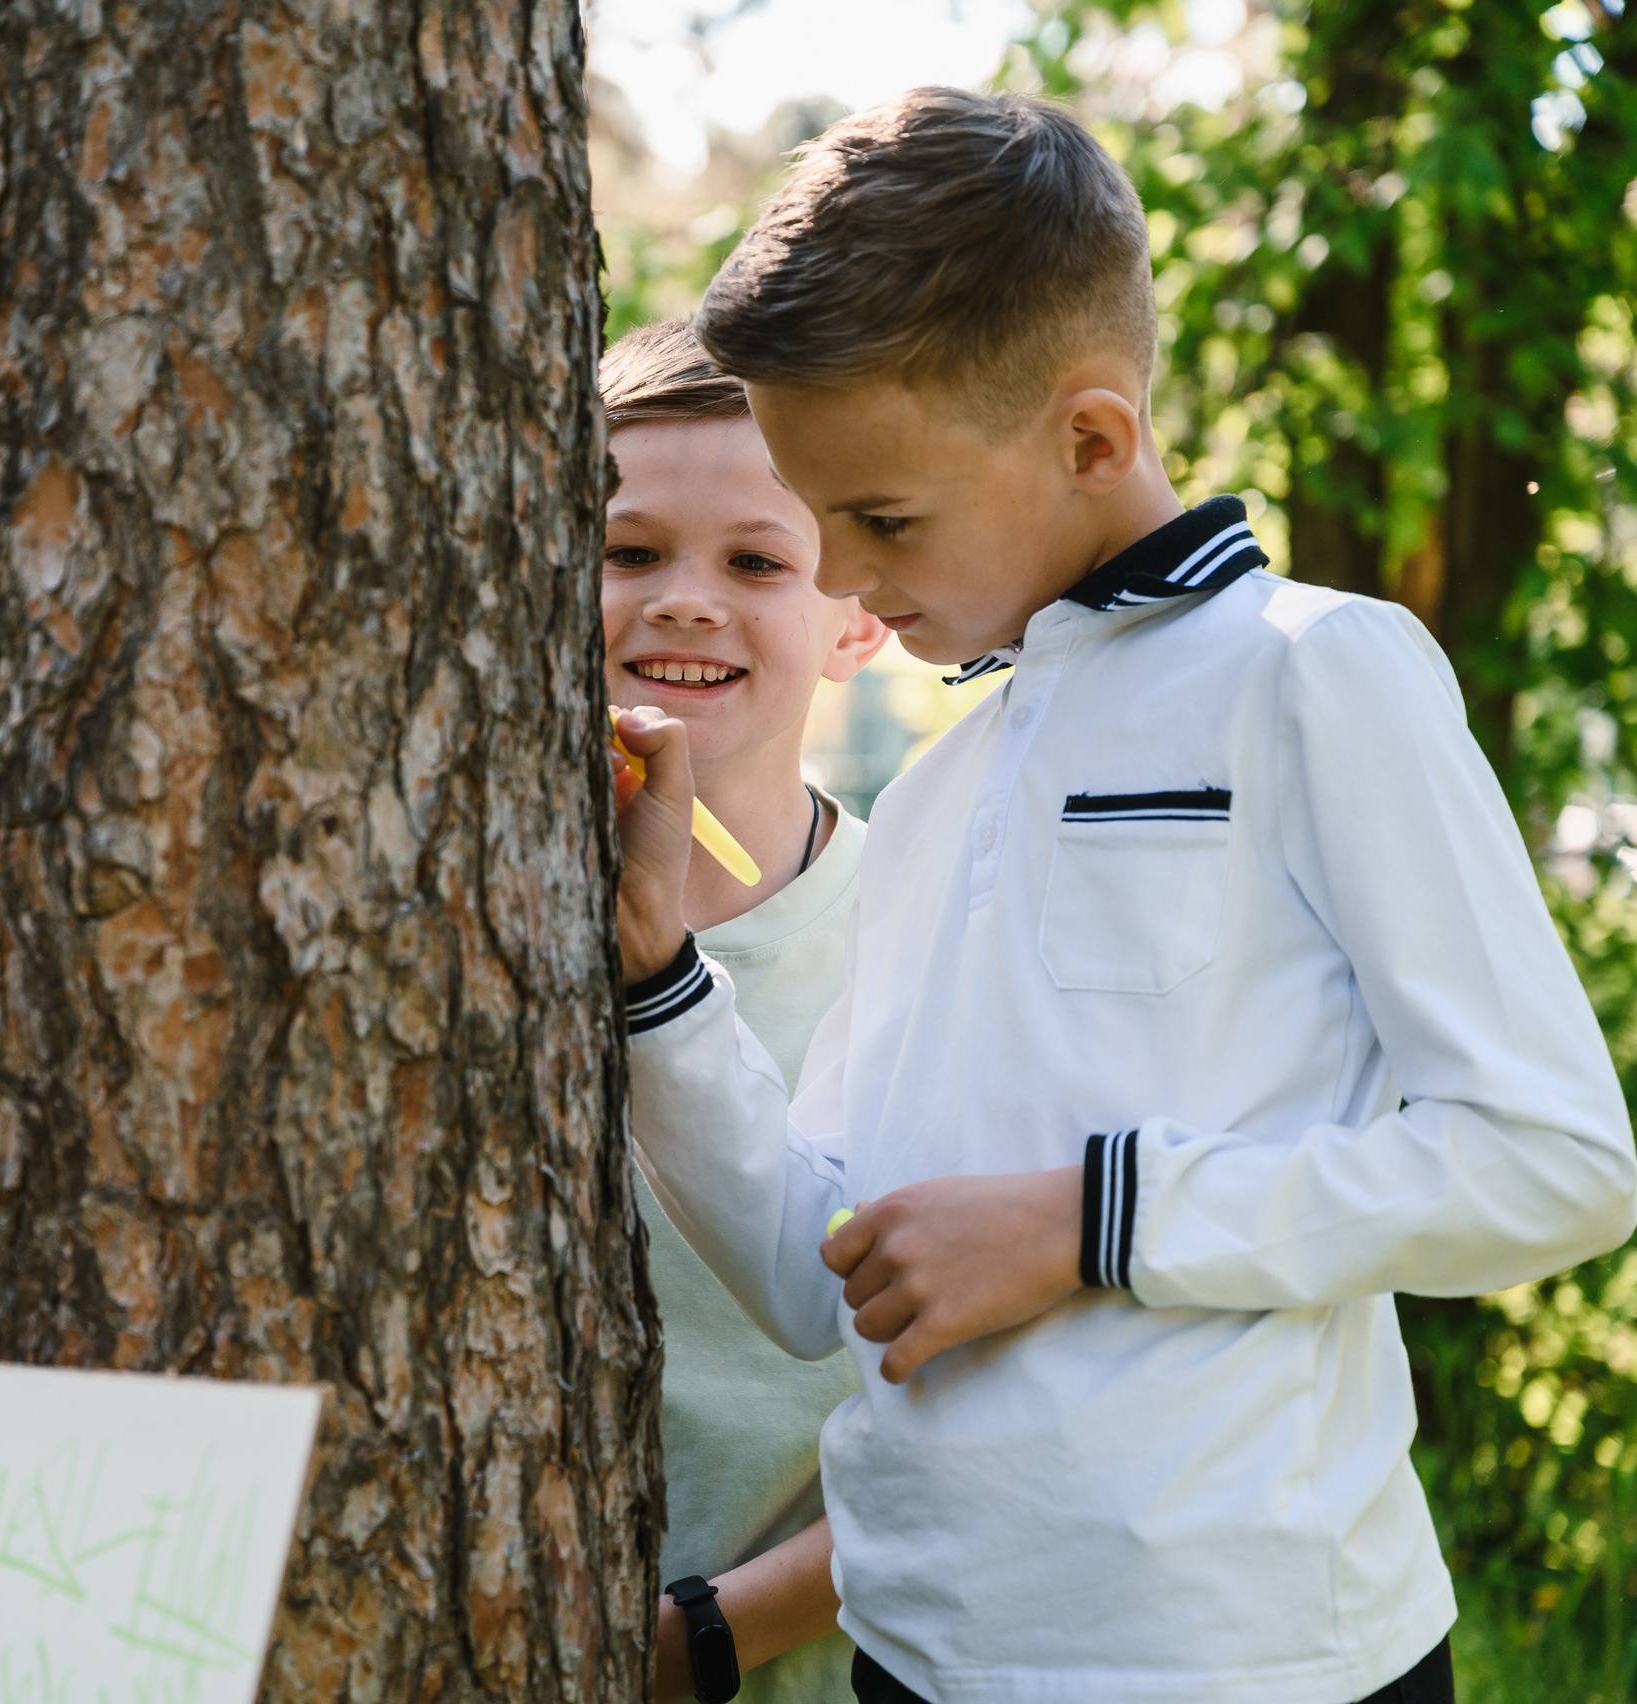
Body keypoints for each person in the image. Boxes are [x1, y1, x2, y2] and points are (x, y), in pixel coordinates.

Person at [609, 87, 1637, 1704]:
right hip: (921, 1664)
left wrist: (1100, 1220)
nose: (845, 577)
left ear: (1092, 439)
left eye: (881, 518)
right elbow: (829, 1278)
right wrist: (658, 979)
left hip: (1259, 1669)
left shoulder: (1319, 675)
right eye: (821, 523)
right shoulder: (944, 786)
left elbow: (1556, 1165)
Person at [598, 320, 889, 1704]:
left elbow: (997, 1401)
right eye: (630, 551)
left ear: (862, 614)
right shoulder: (456, 915)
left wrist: (699, 1642)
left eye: (758, 562)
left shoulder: (921, 929)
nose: (682, 601)